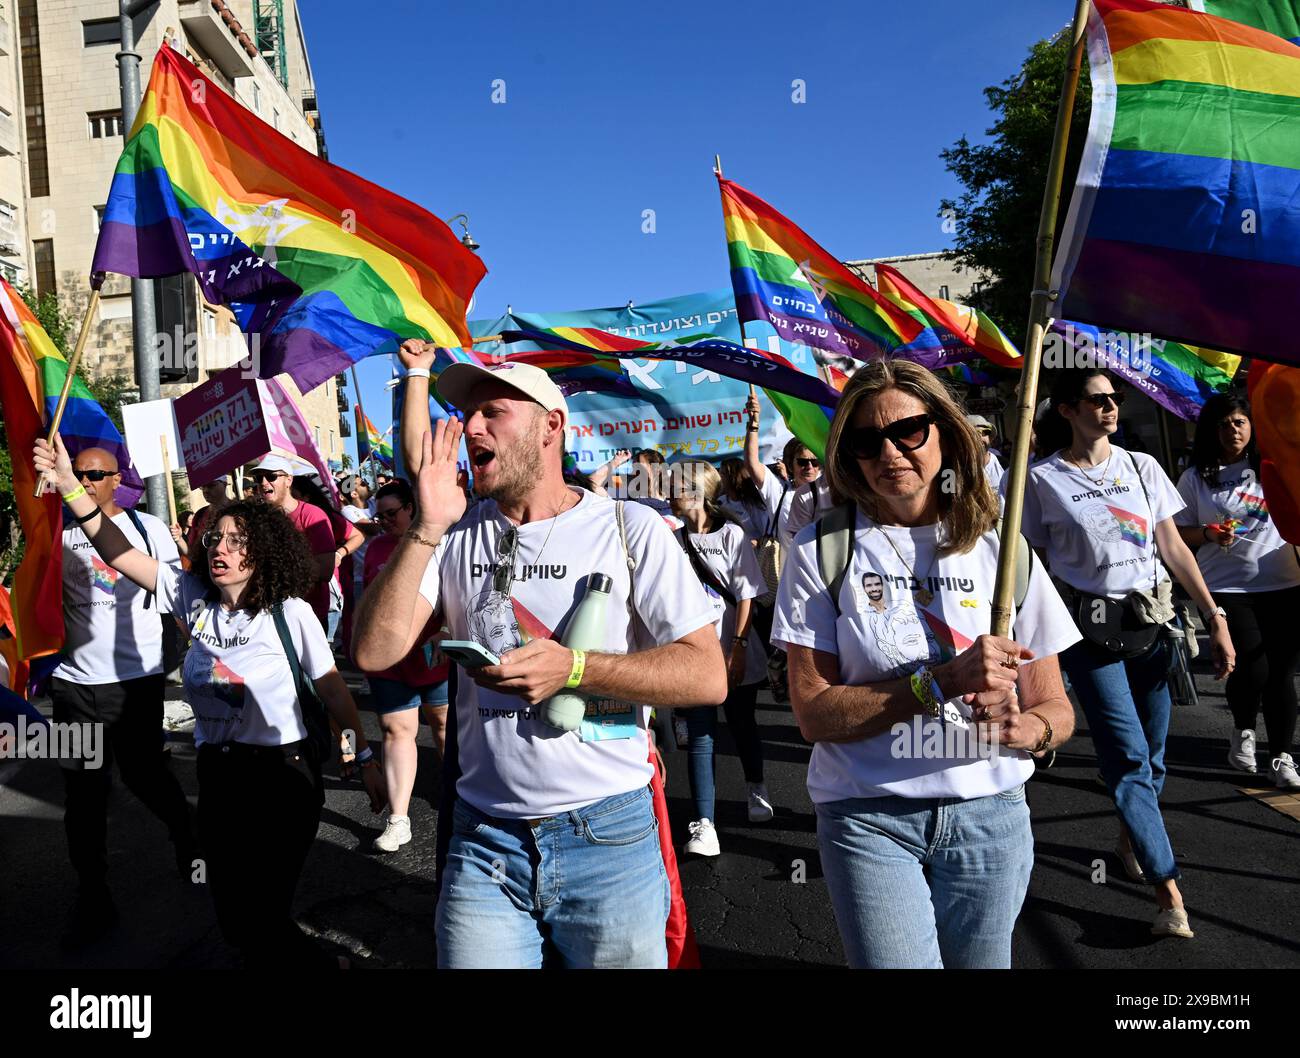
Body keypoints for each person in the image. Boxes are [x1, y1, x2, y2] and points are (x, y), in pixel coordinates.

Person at [353, 343, 726, 969]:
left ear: (552, 426)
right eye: (467, 415)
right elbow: (375, 650)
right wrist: (425, 525)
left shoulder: (629, 528)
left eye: (493, 411)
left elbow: (708, 675)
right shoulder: (454, 534)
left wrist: (577, 669)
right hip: (484, 838)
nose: (471, 428)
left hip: (609, 835)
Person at [771, 359, 1080, 969]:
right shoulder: (821, 550)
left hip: (990, 817)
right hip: (868, 815)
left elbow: (1057, 710)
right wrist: (944, 681)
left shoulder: (1003, 545)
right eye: (866, 441)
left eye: (908, 431)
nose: (889, 452)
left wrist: (1031, 730)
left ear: (944, 430)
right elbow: (814, 715)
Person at [36, 434, 385, 967]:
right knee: (233, 914)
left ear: (263, 550)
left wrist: (362, 757)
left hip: (283, 778)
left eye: (237, 541)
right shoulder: (191, 597)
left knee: (263, 912)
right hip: (220, 778)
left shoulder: (289, 613)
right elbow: (117, 551)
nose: (220, 549)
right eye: (215, 539)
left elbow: (334, 691)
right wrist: (68, 488)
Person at [1023, 369, 1235, 940]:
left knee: (1156, 754)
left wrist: (1215, 618)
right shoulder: (1040, 479)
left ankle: (1130, 833)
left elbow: (1171, 546)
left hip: (1154, 626)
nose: (1111, 407)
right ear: (1067, 410)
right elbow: (1029, 567)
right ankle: (1170, 894)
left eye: (1114, 399)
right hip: (1089, 636)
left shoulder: (1142, 467)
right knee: (1128, 757)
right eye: (1098, 400)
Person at [44, 444, 193, 947]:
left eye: (94, 474)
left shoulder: (149, 530)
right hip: (73, 685)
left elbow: (177, 597)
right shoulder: (55, 533)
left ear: (115, 479)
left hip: (136, 682)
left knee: (144, 775)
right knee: (82, 795)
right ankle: (92, 890)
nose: (83, 482)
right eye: (78, 474)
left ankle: (187, 837)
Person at [1174, 394, 1300, 788]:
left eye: (1241, 422)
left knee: (1281, 672)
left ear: (1252, 426)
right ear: (1214, 430)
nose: (1234, 430)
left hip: (1284, 581)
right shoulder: (1195, 477)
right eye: (1226, 423)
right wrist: (1208, 534)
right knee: (1254, 666)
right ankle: (1244, 728)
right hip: (1226, 585)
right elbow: (1176, 532)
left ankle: (1280, 757)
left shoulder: (1273, 467)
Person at [668, 460, 774, 857]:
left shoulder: (731, 534)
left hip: (732, 647)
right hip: (694, 654)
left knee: (742, 721)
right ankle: (705, 825)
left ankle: (756, 787)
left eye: (675, 484)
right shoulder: (673, 539)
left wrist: (740, 646)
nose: (667, 490)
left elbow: (747, 594)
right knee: (700, 735)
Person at [361, 478, 452, 851]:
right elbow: (364, 601)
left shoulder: (442, 544)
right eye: (379, 516)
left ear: (412, 509)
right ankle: (399, 820)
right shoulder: (374, 549)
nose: (384, 522)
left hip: (433, 656)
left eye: (392, 514)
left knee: (444, 726)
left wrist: (446, 628)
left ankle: (456, 799)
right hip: (389, 662)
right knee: (397, 730)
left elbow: (458, 593)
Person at [250, 454, 339, 628]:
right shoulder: (258, 518)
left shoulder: (312, 515)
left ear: (288, 480)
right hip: (268, 614)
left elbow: (325, 570)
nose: (263, 483)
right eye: (259, 477)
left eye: (271, 476)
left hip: (307, 615)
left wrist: (277, 567)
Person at [967, 414, 1005, 491]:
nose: (980, 438)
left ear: (990, 438)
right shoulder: (952, 470)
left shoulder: (1004, 464)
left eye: (984, 432)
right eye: (973, 434)